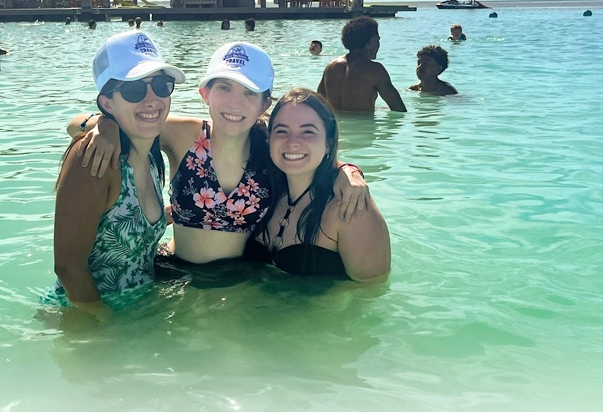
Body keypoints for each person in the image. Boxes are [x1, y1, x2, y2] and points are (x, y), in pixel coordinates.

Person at [69, 41, 369, 265]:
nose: (234, 104)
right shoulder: (184, 134)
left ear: (264, 105)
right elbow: (82, 124)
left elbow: (312, 155)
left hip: (237, 280)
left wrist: (348, 171)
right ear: (205, 93)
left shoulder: (269, 145)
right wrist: (102, 125)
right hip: (174, 273)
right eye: (224, 88)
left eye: (249, 93)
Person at [44, 30, 185, 313]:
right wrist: (102, 327)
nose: (151, 99)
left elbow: (121, 225)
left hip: (140, 311)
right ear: (107, 103)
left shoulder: (151, 152)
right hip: (88, 316)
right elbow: (68, 267)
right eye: (134, 89)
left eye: (160, 85)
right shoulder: (95, 159)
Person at [248, 89, 390, 279]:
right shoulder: (262, 188)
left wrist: (349, 172)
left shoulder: (351, 206)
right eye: (282, 131)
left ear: (328, 143)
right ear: (270, 138)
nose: (293, 142)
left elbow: (370, 292)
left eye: (308, 131)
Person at [316, 16, 406, 113]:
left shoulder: (331, 67)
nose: (378, 44)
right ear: (371, 42)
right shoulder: (375, 70)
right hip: (364, 126)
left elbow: (318, 103)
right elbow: (399, 109)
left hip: (336, 127)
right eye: (377, 40)